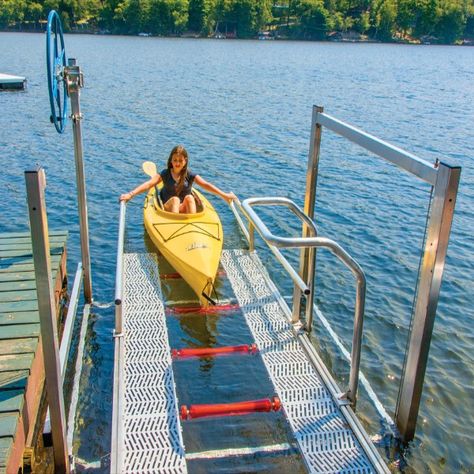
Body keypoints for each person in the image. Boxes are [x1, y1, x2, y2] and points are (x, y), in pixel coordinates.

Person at [119, 145, 236, 213]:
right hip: (168, 208)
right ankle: (174, 227)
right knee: (175, 199)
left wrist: (224, 195)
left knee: (190, 197)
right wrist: (131, 194)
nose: (177, 163)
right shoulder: (165, 174)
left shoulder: (189, 175)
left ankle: (192, 225)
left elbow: (206, 185)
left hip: (183, 208)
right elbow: (149, 184)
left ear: (185, 161)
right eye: (175, 160)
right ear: (171, 161)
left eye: (180, 161)